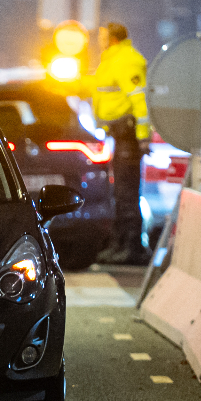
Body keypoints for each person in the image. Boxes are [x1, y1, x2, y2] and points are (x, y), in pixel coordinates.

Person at [84, 22, 151, 265]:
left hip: (128, 135)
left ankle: (132, 247)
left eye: (102, 36)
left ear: (112, 38)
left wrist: (143, 136)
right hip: (119, 134)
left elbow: (139, 100)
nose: (99, 40)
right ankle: (121, 244)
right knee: (121, 193)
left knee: (127, 193)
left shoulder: (127, 60)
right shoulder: (112, 59)